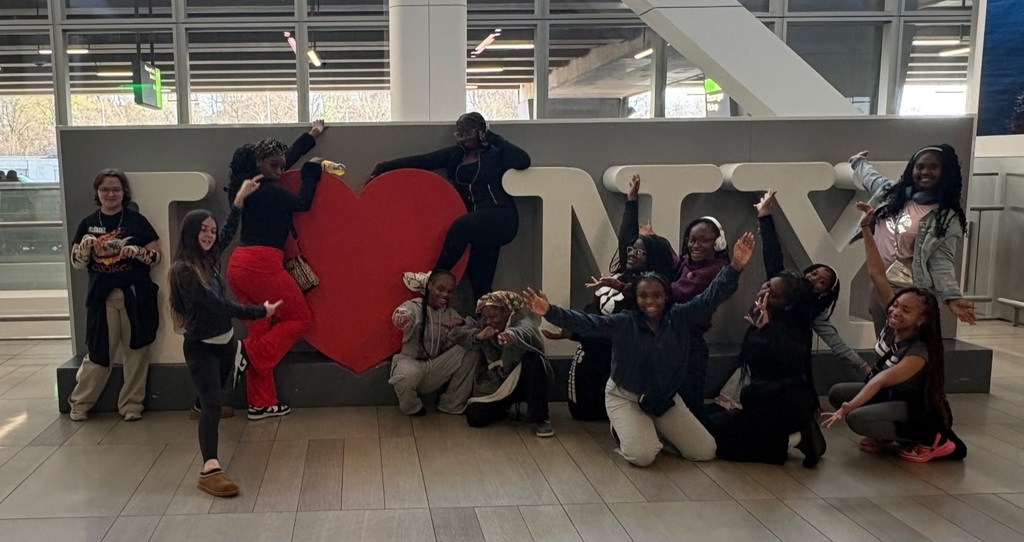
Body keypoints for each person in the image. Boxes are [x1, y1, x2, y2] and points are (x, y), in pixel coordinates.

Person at [524, 233, 755, 467]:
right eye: (643, 296)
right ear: (635, 298)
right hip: (625, 396)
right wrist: (549, 311)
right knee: (643, 456)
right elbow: (588, 323)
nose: (650, 301)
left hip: (662, 399)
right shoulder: (625, 322)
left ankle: (651, 430)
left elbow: (710, 298)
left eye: (656, 295)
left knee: (705, 451)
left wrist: (735, 267)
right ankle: (623, 429)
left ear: (666, 297)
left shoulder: (680, 317)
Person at [822, 203, 966, 463]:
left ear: (922, 320)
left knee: (856, 417)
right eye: (896, 305)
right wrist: (866, 227)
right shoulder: (894, 324)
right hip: (893, 396)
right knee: (837, 393)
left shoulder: (919, 351)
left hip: (917, 409)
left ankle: (933, 441)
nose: (896, 311)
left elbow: (880, 381)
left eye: (906, 310)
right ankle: (886, 430)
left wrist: (850, 407)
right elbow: (876, 273)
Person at [586, 178, 731, 416]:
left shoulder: (712, 270)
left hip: (690, 344)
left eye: (703, 240)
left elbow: (676, 292)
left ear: (718, 243)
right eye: (692, 240)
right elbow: (665, 257)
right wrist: (633, 204)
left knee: (690, 410)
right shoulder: (685, 262)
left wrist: (622, 286)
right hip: (668, 344)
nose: (695, 245)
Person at [544, 174, 677, 421]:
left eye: (640, 252)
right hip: (588, 351)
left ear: (652, 258)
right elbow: (626, 236)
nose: (632, 253)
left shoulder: (646, 293)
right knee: (580, 411)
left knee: (593, 413)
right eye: (631, 250)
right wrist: (631, 201)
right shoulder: (622, 273)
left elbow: (613, 331)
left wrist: (575, 333)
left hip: (610, 360)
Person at [170, 205, 281, 497]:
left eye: (212, 230)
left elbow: (228, 233)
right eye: (203, 230)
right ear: (190, 233)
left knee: (217, 391)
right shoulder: (185, 271)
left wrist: (239, 203)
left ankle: (200, 403)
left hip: (226, 343)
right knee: (213, 405)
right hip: (202, 348)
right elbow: (219, 307)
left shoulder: (208, 259)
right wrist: (261, 311)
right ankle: (210, 469)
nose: (210, 235)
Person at [225, 123, 330, 421]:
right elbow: (303, 203)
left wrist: (311, 136)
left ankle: (262, 403)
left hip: (239, 265)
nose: (281, 170)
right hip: (261, 265)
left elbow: (285, 158)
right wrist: (311, 171)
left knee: (261, 332)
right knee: (299, 317)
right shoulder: (270, 190)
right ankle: (248, 354)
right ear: (259, 161)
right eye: (275, 165)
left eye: (282, 165)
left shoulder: (250, 182)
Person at [370, 112, 531, 300]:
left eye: (468, 133)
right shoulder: (456, 155)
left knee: (460, 227)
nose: (463, 138)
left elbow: (523, 161)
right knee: (480, 285)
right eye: (459, 134)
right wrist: (383, 167)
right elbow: (423, 161)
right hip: (478, 228)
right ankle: (485, 318)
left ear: (481, 131)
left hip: (500, 217)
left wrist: (493, 138)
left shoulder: (495, 153)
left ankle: (432, 278)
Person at [68, 169, 161, 422]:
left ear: (124, 192)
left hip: (135, 296)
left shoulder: (137, 221)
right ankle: (80, 402)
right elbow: (76, 263)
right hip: (102, 298)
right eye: (105, 189)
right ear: (97, 192)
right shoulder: (87, 223)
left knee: (137, 352)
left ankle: (132, 404)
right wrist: (84, 249)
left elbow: (157, 256)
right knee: (99, 352)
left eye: (116, 189)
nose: (110, 194)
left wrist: (138, 252)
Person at [850, 145, 974, 333]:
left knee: (906, 344)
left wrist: (952, 296)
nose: (925, 172)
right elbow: (871, 179)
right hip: (880, 284)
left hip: (910, 291)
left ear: (945, 172)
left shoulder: (945, 217)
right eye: (920, 166)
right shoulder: (892, 193)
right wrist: (859, 162)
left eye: (933, 167)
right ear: (912, 169)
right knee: (884, 342)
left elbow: (942, 262)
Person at [709, 269, 826, 468]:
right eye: (767, 285)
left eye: (773, 294)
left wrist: (766, 330)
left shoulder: (789, 329)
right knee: (711, 425)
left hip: (783, 407)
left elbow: (782, 371)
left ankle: (800, 437)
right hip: (762, 401)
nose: (764, 292)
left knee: (724, 448)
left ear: (787, 305)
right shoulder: (766, 317)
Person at [755, 190, 870, 378]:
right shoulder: (783, 284)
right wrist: (764, 214)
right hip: (761, 353)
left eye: (821, 282)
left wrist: (865, 369)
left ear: (824, 292)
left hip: (790, 368)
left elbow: (837, 345)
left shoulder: (814, 311)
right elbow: (772, 251)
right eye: (814, 273)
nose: (813, 279)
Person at [450, 291, 553, 437]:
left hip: (524, 379)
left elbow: (525, 331)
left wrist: (512, 334)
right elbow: (455, 334)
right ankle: (503, 408)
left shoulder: (521, 321)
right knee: (475, 416)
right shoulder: (484, 325)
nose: (489, 321)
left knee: (533, 359)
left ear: (505, 312)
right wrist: (477, 335)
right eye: (485, 317)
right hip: (498, 383)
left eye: (493, 316)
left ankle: (541, 418)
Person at [389, 269, 476, 416]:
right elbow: (402, 313)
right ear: (430, 286)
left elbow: (472, 328)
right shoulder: (414, 306)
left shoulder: (451, 313)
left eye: (449, 291)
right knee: (405, 375)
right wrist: (402, 318)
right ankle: (412, 407)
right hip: (411, 363)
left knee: (472, 350)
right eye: (440, 289)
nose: (445, 295)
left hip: (437, 366)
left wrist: (462, 322)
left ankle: (451, 404)